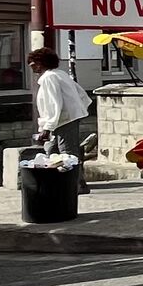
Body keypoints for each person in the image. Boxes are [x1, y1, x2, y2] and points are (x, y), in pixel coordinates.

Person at [29, 46, 93, 187]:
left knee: (67, 153)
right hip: (67, 117)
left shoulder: (49, 78)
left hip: (63, 119)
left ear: (40, 63)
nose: (32, 68)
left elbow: (53, 103)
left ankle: (76, 184)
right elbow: (82, 94)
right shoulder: (60, 74)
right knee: (51, 150)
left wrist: (47, 127)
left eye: (33, 64)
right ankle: (58, 182)